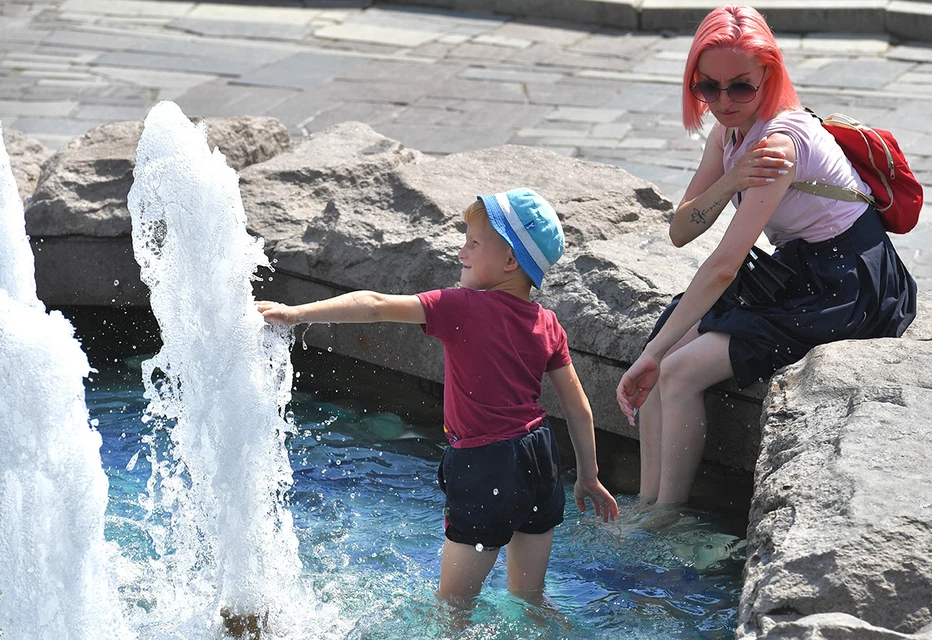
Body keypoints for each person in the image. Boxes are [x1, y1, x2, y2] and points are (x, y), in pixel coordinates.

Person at [615, 4, 916, 508]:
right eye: (707, 87)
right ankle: (646, 505)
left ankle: (665, 517)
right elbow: (680, 230)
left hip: (845, 284)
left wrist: (651, 357)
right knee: (661, 352)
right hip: (800, 269)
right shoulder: (728, 131)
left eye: (740, 86)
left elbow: (724, 265)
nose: (723, 100)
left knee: (677, 369)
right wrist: (732, 178)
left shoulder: (780, 145)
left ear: (769, 76)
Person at [257, 187, 618, 603]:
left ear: (510, 261)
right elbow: (578, 408)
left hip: (485, 464)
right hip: (540, 459)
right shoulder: (548, 322)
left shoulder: (461, 307)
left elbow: (374, 305)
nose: (461, 251)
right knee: (530, 598)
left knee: (453, 609)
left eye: (474, 242)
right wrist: (588, 476)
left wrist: (296, 313)